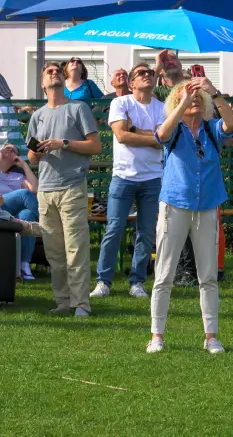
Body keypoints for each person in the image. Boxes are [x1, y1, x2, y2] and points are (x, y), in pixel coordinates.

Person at [148, 76, 233, 355]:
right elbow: (161, 134)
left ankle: (211, 337)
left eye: (200, 97)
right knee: (164, 273)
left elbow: (231, 125)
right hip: (174, 205)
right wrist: (183, 101)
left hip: (208, 206)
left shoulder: (212, 128)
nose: (195, 99)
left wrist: (215, 92)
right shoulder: (174, 129)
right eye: (188, 97)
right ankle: (156, 336)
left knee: (208, 275)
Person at [28, 62, 101, 317]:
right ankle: (63, 302)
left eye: (57, 70)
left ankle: (81, 304)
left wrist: (64, 143)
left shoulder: (78, 108)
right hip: (45, 190)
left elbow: (95, 146)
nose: (54, 72)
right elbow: (32, 158)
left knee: (76, 249)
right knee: (54, 252)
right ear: (42, 83)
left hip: (72, 186)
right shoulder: (37, 116)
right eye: (48, 71)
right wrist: (37, 151)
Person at [93, 64, 165, 300]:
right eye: (141, 73)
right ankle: (103, 281)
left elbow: (163, 139)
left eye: (150, 73)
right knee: (114, 229)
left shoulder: (161, 107)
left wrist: (135, 129)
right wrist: (150, 135)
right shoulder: (120, 103)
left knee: (146, 232)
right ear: (131, 83)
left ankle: (137, 281)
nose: (147, 75)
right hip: (123, 177)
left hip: (152, 178)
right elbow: (122, 136)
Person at [0, 142, 41, 280]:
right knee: (23, 194)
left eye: (13, 150)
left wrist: (24, 165)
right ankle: (52, 226)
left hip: (8, 212)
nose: (9, 150)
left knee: (27, 214)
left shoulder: (17, 177)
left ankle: (24, 265)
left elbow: (34, 190)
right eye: (6, 148)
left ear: (15, 158)